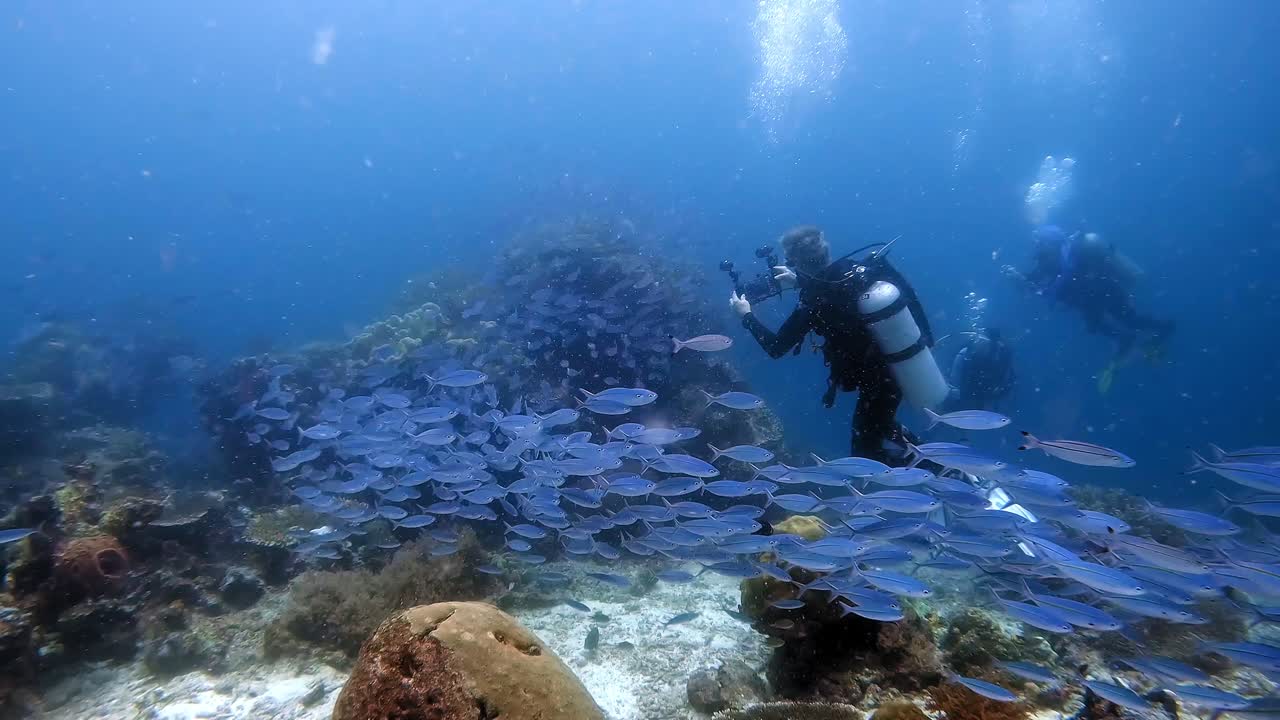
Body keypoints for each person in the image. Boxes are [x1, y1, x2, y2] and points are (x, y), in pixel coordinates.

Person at [729, 226, 934, 464]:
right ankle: (944, 465)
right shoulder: (857, 272)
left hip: (878, 379)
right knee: (880, 426)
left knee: (865, 457)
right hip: (894, 366)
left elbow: (775, 347)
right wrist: (801, 282)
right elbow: (836, 291)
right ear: (825, 251)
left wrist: (746, 316)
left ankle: (946, 474)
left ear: (795, 261)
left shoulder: (814, 302)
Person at [1006, 225, 1173, 358]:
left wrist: (1040, 288)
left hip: (1106, 292)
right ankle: (1125, 339)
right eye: (1038, 244)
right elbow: (1034, 280)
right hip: (1087, 299)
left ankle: (1164, 327)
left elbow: (1060, 283)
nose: (1038, 248)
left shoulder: (1074, 253)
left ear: (1052, 242)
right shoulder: (1048, 260)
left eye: (1041, 243)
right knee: (1095, 326)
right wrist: (1019, 278)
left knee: (1129, 320)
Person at [947, 327, 1015, 411]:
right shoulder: (966, 354)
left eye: (983, 341)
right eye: (978, 339)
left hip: (989, 397)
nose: (979, 343)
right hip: (966, 393)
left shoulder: (1001, 357)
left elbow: (1007, 381)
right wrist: (955, 392)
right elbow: (954, 380)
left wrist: (998, 396)